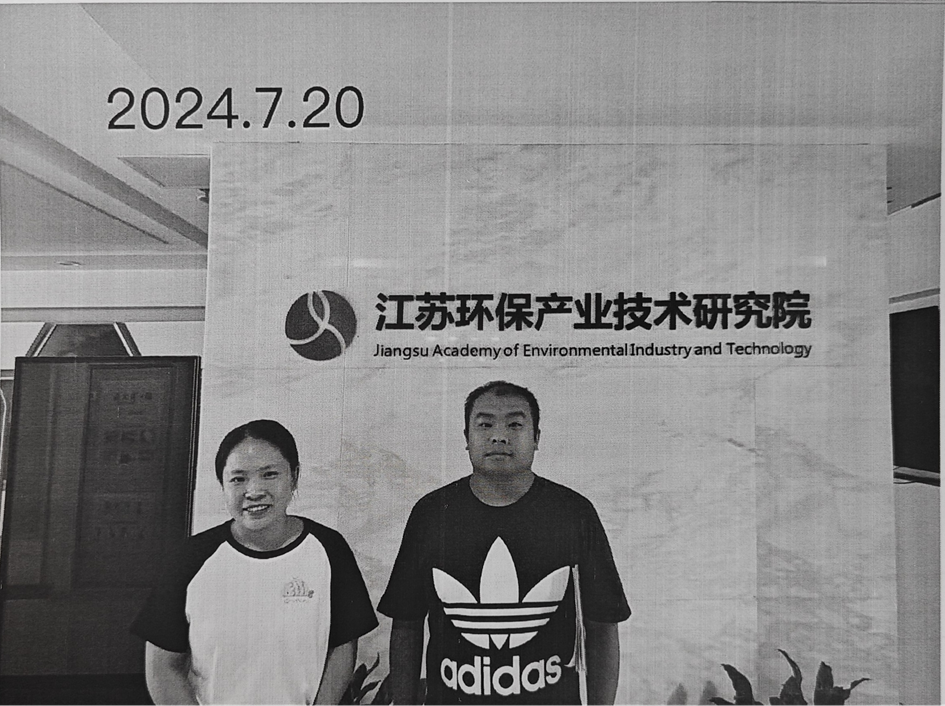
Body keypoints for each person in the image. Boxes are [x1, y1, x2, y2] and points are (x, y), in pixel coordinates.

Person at [379, 381, 630, 706]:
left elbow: (603, 625)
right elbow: (406, 625)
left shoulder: (573, 512)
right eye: (485, 425)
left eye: (514, 424)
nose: (499, 436)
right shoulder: (431, 514)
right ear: (466, 438)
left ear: (536, 438)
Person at [132, 419, 378, 706]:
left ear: (294, 476)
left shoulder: (329, 549)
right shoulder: (191, 558)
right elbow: (163, 668)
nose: (254, 491)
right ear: (222, 484)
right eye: (238, 479)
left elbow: (342, 647)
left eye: (269, 474)